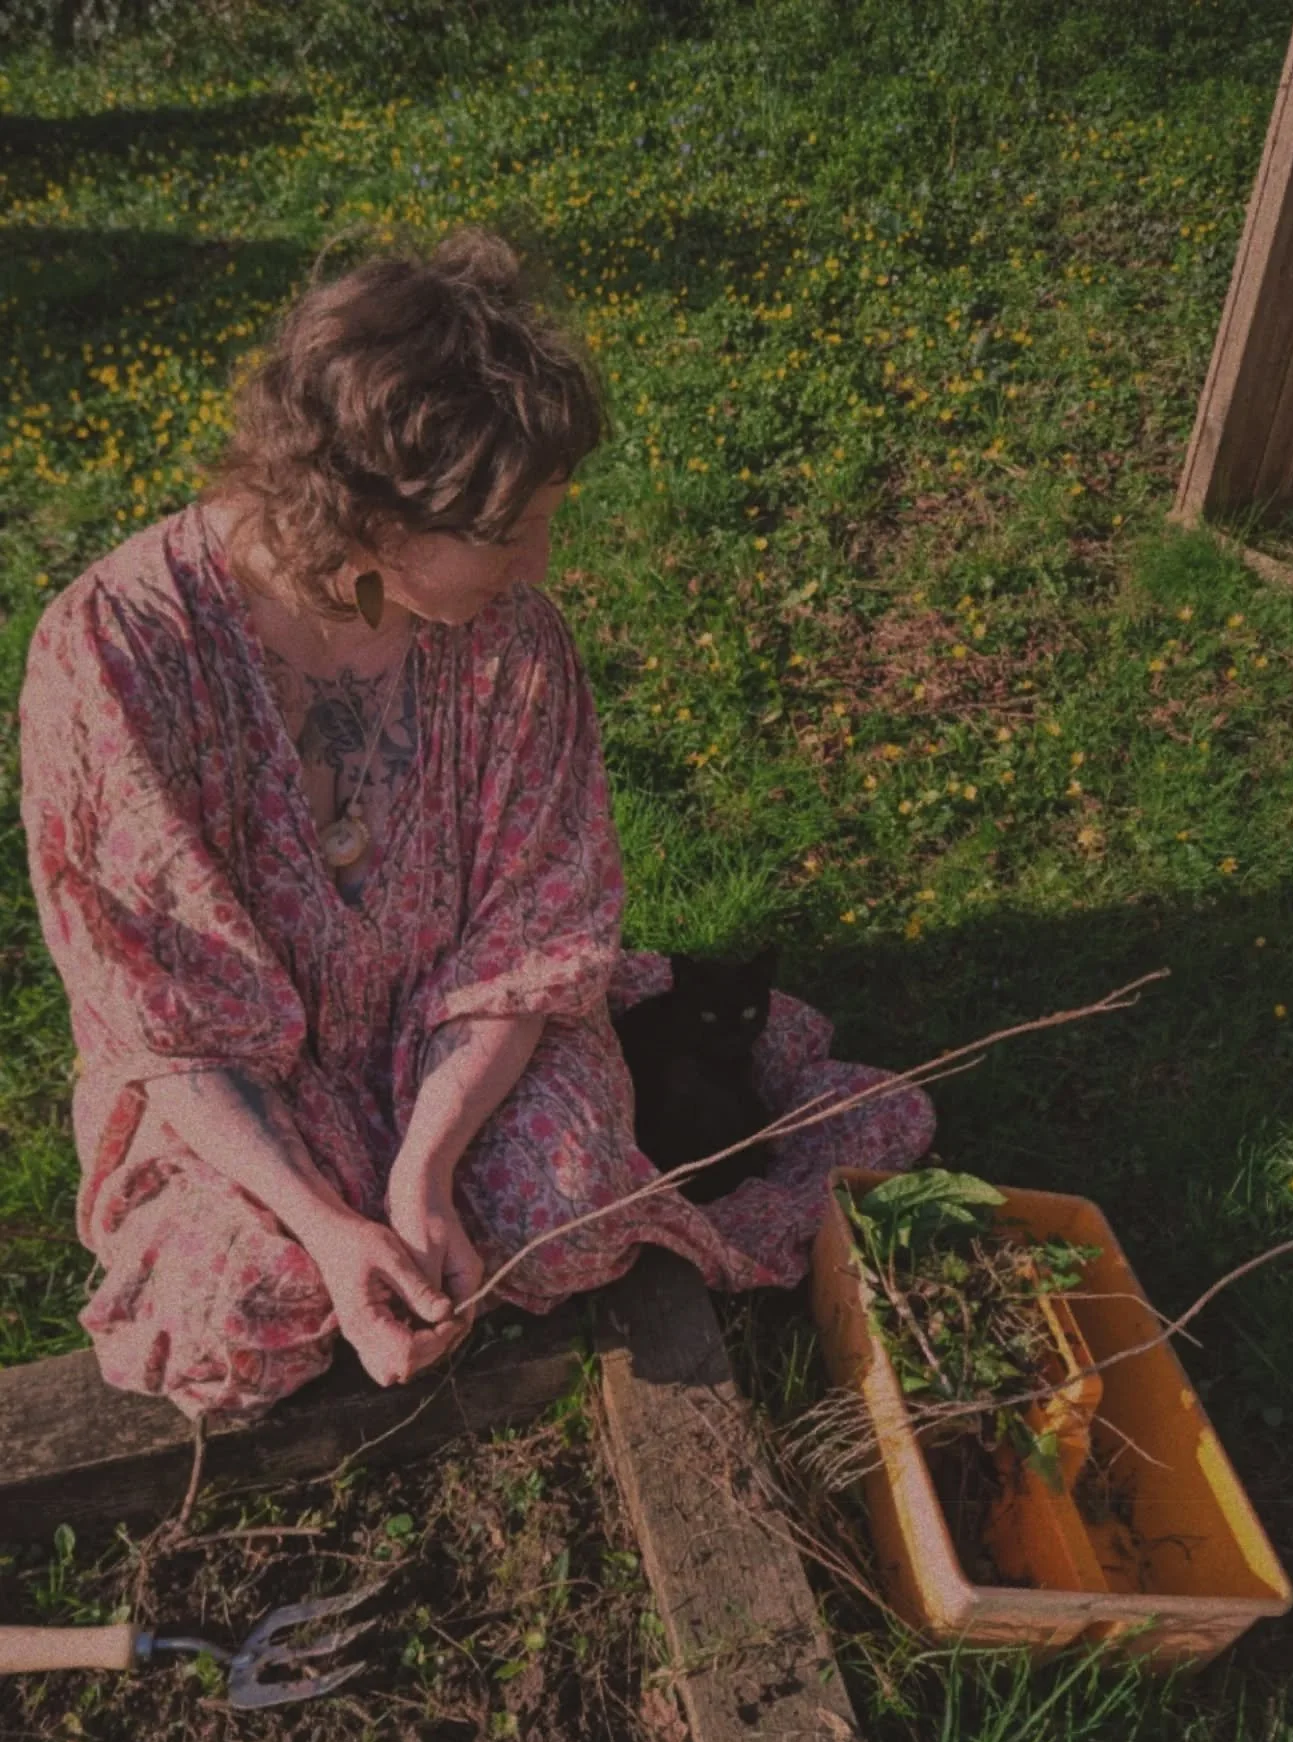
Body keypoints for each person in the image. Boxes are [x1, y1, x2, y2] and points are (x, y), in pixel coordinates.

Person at [18, 224, 935, 1423]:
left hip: (452, 1036)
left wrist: (425, 1165)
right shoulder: (116, 661)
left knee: (564, 1216)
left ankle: (411, 1220)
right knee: (242, 1304)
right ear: (373, 525)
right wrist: (331, 1226)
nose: (542, 558)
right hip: (238, 1085)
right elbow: (166, 1019)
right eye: (509, 533)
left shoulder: (512, 645)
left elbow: (530, 937)